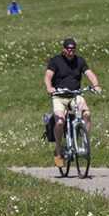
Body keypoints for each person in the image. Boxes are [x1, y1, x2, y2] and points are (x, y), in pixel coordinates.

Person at [44, 37, 102, 169]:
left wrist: (96, 85)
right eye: (68, 49)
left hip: (75, 95)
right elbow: (48, 76)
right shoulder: (55, 61)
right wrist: (49, 88)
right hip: (59, 96)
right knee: (59, 121)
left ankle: (84, 142)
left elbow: (89, 73)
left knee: (86, 113)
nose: (71, 52)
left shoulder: (80, 60)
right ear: (64, 49)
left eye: (73, 49)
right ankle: (58, 150)